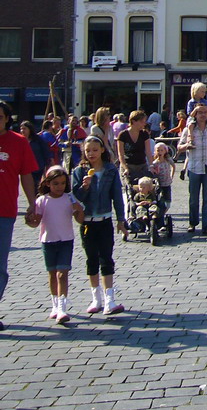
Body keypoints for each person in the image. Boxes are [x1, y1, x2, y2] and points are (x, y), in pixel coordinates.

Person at [72, 135, 128, 315]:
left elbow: (117, 197)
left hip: (104, 220)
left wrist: (121, 219)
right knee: (91, 260)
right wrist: (84, 187)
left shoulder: (110, 170)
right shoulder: (79, 171)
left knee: (106, 258)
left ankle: (109, 299)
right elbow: (75, 198)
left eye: (95, 150)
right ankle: (96, 298)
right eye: (88, 151)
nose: (91, 154)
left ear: (102, 150)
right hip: (87, 222)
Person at [28, 165, 85, 323]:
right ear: (48, 184)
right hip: (48, 241)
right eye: (56, 184)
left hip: (66, 240)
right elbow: (36, 223)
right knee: (52, 274)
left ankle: (62, 307)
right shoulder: (42, 200)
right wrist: (29, 220)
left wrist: (79, 210)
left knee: (62, 273)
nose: (59, 187)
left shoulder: (69, 198)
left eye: (62, 183)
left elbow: (80, 220)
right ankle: (54, 304)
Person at [0, 101, 38, 330]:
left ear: (6, 118)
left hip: (5, 211)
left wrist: (33, 203)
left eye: (0, 116)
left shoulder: (19, 142)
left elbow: (26, 175)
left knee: (0, 265)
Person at [177, 103, 207, 235]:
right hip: (194, 167)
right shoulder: (189, 129)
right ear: (195, 114)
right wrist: (186, 146)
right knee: (194, 198)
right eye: (200, 112)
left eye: (205, 112)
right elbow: (179, 146)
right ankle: (192, 223)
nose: (203, 115)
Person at [116, 110, 153, 212]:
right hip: (128, 165)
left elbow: (148, 152)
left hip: (141, 165)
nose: (144, 124)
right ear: (133, 121)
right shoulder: (123, 135)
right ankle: (128, 211)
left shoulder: (144, 134)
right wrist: (125, 167)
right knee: (128, 190)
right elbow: (121, 154)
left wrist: (152, 166)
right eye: (142, 121)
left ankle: (145, 210)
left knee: (145, 188)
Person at [20, 120, 51, 189]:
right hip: (26, 170)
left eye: (24, 129)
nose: (22, 131)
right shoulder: (20, 141)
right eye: (21, 129)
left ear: (29, 129)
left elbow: (46, 152)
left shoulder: (38, 139)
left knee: (38, 188)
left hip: (38, 168)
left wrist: (47, 166)